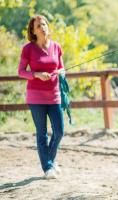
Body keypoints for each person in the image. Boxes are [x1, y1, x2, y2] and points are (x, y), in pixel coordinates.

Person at [18, 15, 65, 179]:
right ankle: (47, 168)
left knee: (59, 131)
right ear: (33, 31)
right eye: (38, 26)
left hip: (54, 96)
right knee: (42, 133)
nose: (42, 27)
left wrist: (60, 72)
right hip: (36, 98)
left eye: (44, 24)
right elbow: (21, 72)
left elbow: (61, 67)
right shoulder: (28, 49)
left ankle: (50, 161)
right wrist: (37, 74)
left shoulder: (57, 46)